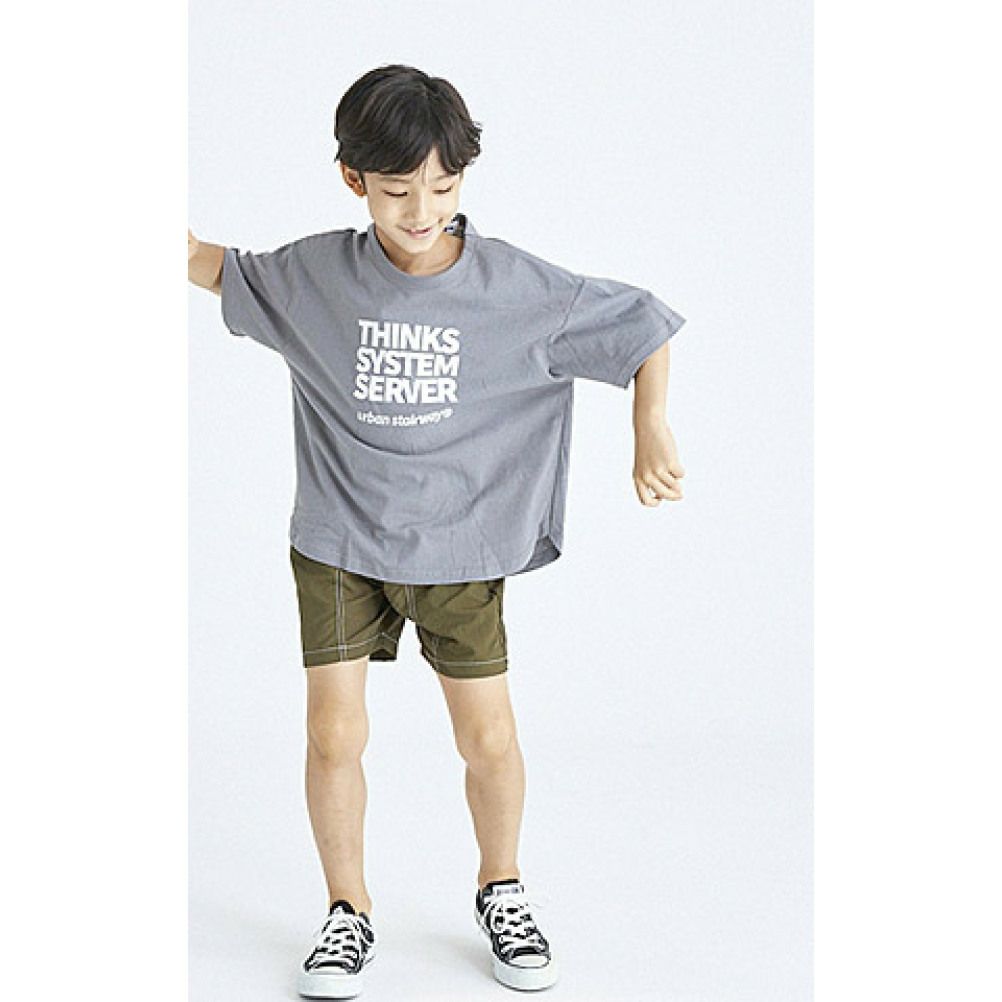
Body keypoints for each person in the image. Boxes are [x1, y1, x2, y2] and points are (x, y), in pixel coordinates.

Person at [188, 63, 687, 999]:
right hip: (339, 540)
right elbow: (212, 264)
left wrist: (648, 422)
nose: (421, 211)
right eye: (396, 190)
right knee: (333, 733)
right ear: (353, 179)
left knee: (487, 737)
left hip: (460, 546)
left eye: (443, 188)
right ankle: (347, 911)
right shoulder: (314, 277)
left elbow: (643, 328)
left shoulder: (517, 288)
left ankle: (503, 888)